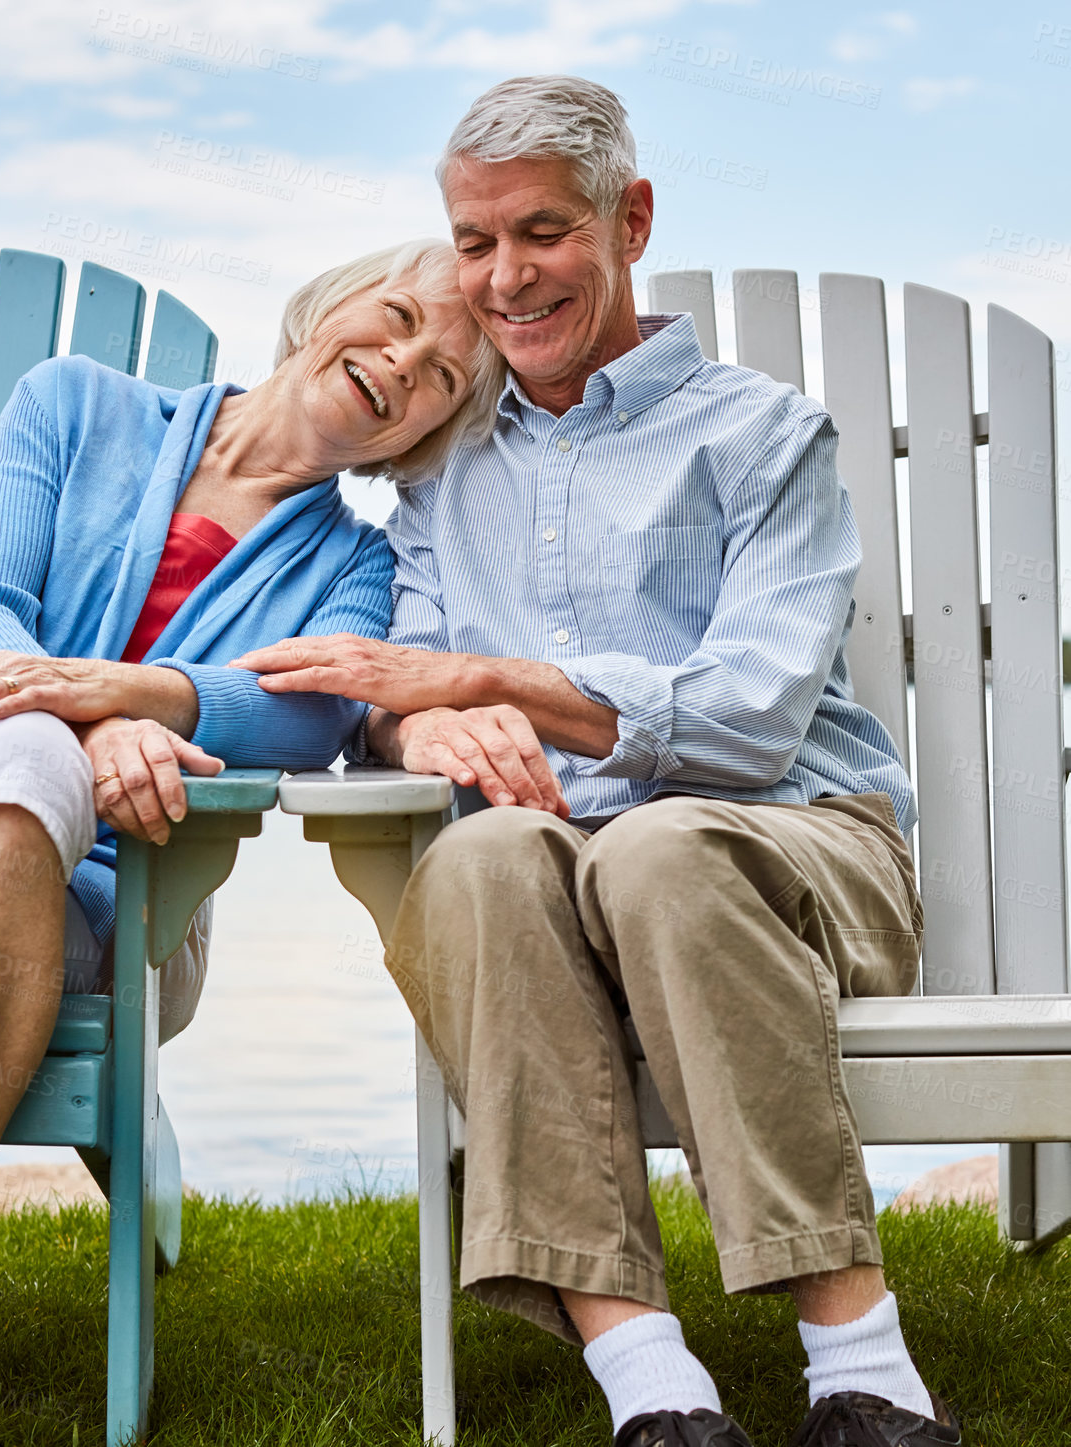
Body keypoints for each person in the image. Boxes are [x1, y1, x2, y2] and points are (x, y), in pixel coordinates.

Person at [234, 77, 957, 1447]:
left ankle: (862, 1364)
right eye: (472, 240)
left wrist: (491, 679)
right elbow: (407, 668)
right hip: (564, 878)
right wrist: (414, 721)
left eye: (542, 231)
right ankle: (652, 1386)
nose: (505, 276)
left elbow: (744, 717)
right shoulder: (445, 474)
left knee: (660, 841)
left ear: (628, 220)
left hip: (796, 854)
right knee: (484, 852)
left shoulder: (761, 435)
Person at [0, 239, 501, 1447]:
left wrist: (136, 699)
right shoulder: (74, 403)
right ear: (328, 300)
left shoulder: (356, 562)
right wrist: (83, 729)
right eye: (392, 318)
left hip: (113, 911)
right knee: (10, 765)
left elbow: (311, 709)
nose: (399, 363)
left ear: (425, 436)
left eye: (438, 377)